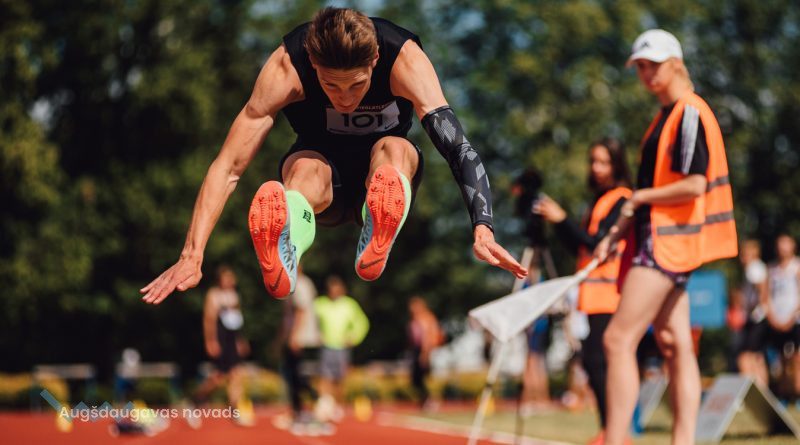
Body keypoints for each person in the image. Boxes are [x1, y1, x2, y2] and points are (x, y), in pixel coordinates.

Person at [140, 7, 526, 304]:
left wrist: (483, 226)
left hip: (383, 175)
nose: (344, 98)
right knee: (306, 167)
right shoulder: (287, 67)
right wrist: (192, 254)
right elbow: (228, 166)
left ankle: (378, 226)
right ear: (312, 63)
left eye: (356, 85)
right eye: (330, 85)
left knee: (395, 148)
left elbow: (457, 147)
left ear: (374, 60)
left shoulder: (404, 60)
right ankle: (287, 248)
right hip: (321, 182)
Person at [594, 29, 737, 445]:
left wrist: (638, 199)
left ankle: (616, 439)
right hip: (664, 242)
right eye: (640, 66)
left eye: (653, 64)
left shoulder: (689, 112)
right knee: (675, 344)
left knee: (617, 339)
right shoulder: (665, 117)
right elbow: (651, 192)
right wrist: (618, 231)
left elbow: (694, 184)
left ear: (676, 64)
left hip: (667, 246)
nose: (646, 73)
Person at [534, 137, 632, 444]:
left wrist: (563, 219)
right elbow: (580, 246)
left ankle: (616, 433)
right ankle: (610, 431)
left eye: (604, 162)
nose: (597, 168)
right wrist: (557, 223)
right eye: (593, 161)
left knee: (597, 360)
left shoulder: (622, 199)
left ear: (617, 164)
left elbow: (597, 244)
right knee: (594, 361)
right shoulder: (598, 201)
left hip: (612, 293)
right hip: (594, 294)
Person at [193, 266, 253, 426]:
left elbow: (237, 320)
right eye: (226, 278)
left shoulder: (234, 295)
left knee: (236, 374)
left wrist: (241, 340)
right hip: (221, 338)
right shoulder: (213, 294)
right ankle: (196, 399)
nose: (229, 281)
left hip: (232, 339)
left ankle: (235, 411)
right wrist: (210, 341)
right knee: (217, 377)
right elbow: (209, 320)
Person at [313, 276, 369, 422]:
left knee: (340, 378)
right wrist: (316, 335)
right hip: (326, 347)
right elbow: (310, 320)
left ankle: (337, 406)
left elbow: (362, 323)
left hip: (342, 348)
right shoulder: (320, 304)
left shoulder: (349, 305)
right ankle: (325, 405)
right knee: (324, 377)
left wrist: (354, 338)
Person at [275, 266, 321, 431]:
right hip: (296, 337)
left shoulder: (300, 284)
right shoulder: (291, 284)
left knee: (298, 377)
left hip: (302, 338)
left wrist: (295, 336)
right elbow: (287, 316)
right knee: (293, 376)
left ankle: (317, 404)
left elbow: (301, 312)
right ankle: (298, 411)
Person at [765, 234, 800, 399]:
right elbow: (767, 296)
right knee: (781, 361)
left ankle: (797, 393)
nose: (782, 248)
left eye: (786, 244)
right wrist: (773, 317)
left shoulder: (797, 266)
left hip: (795, 320)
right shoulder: (772, 269)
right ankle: (785, 395)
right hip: (777, 321)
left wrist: (791, 318)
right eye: (780, 244)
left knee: (796, 359)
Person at [735, 239, 769, 387]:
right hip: (758, 316)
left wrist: (756, 305)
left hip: (756, 317)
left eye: (745, 254)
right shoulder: (757, 267)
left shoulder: (753, 268)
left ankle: (752, 388)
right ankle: (762, 388)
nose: (742, 257)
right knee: (757, 356)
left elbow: (762, 289)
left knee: (746, 356)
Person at [407, 296, 443, 409]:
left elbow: (429, 337)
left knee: (424, 377)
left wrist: (425, 353)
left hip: (426, 350)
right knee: (416, 378)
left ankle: (431, 400)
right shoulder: (415, 319)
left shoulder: (427, 318)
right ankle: (424, 400)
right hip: (417, 350)